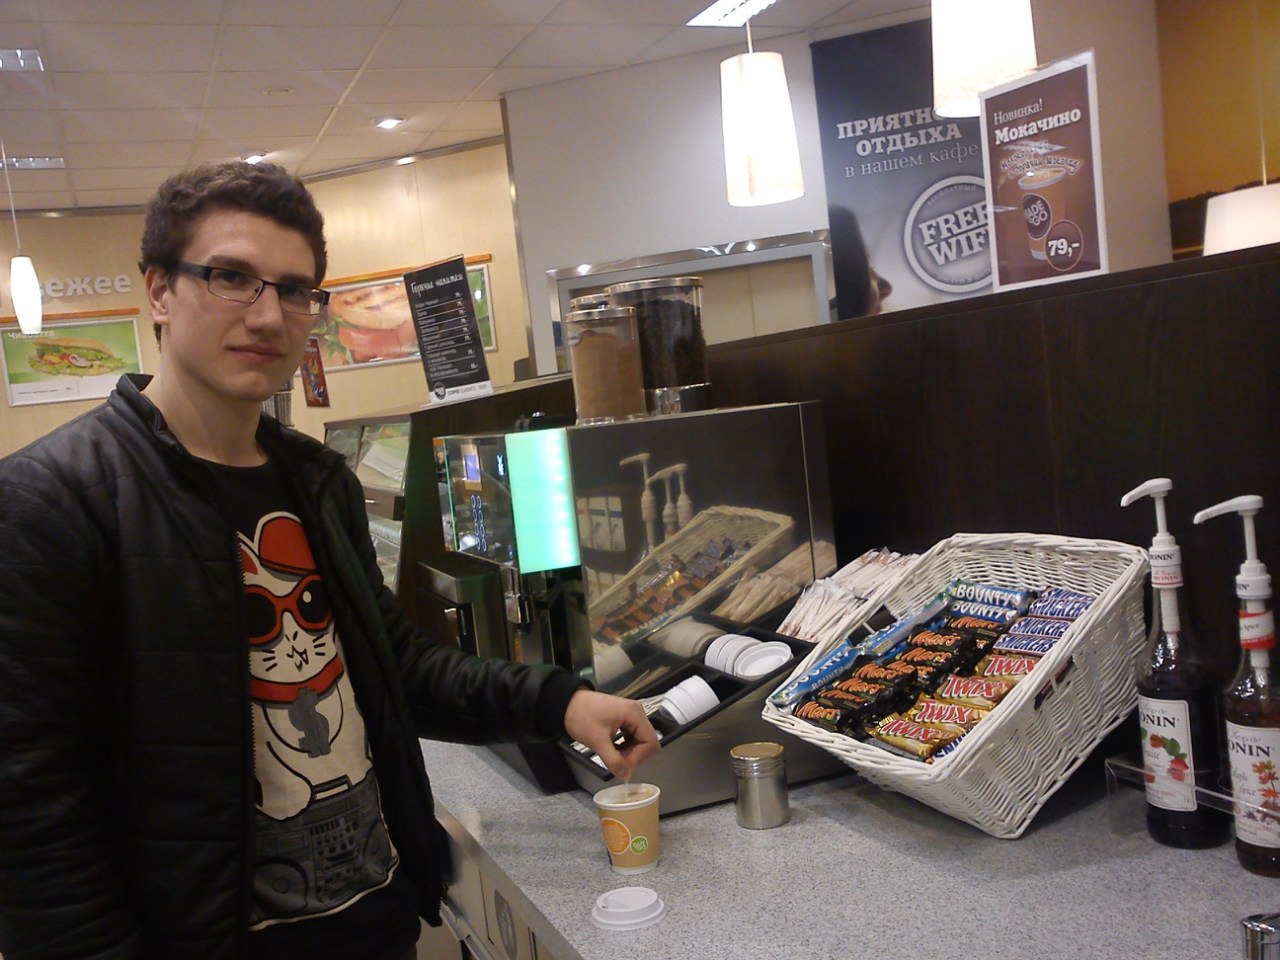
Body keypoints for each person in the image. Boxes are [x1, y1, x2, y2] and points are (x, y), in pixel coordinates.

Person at [0, 161, 660, 960]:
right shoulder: (50, 502)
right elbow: (32, 812)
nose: (267, 314)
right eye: (231, 277)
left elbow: (395, 666)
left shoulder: (316, 481)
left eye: (293, 290)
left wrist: (559, 703)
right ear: (160, 291)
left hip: (375, 925)